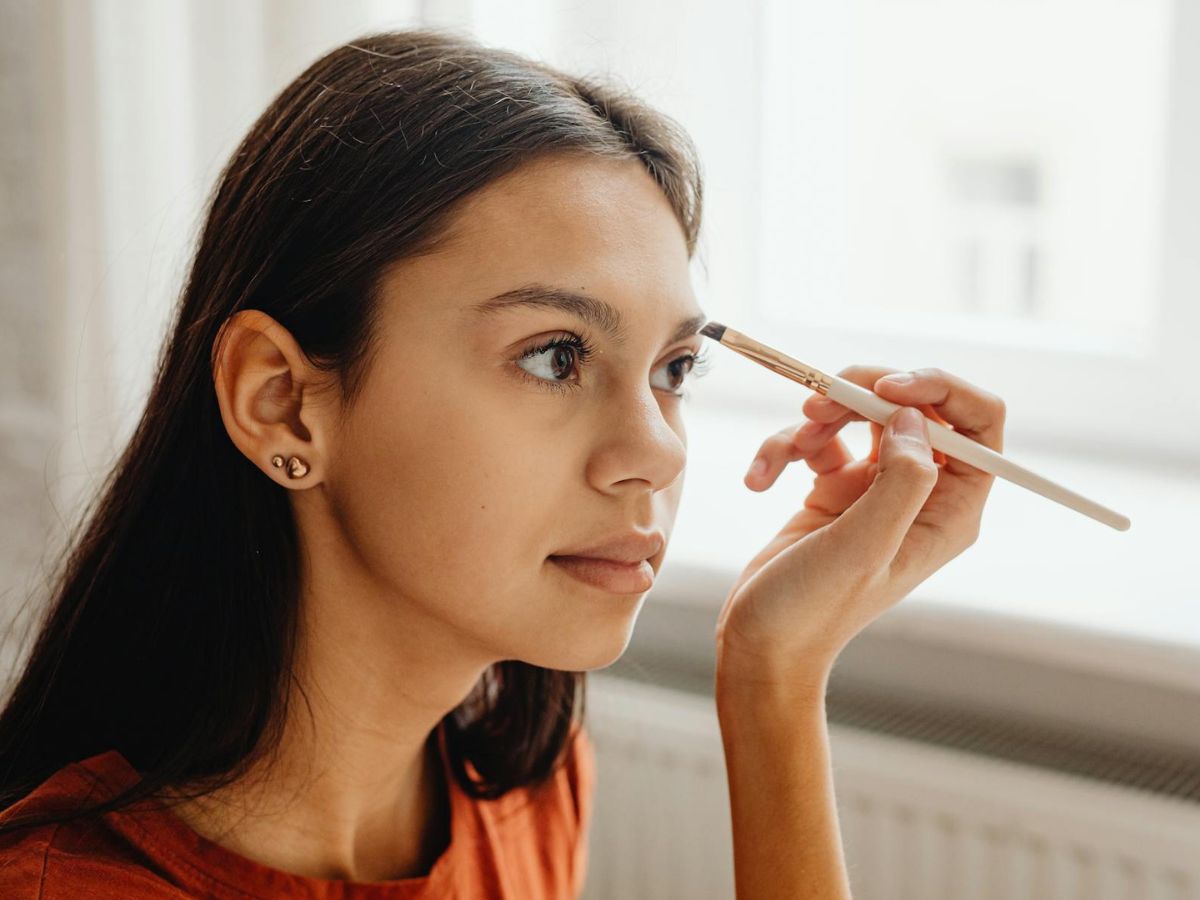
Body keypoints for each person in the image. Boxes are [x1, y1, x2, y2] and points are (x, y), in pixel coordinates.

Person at [0, 26, 1003, 900]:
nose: (656, 449)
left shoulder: (522, 789)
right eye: (556, 354)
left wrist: (774, 675)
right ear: (281, 405)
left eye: (674, 367)